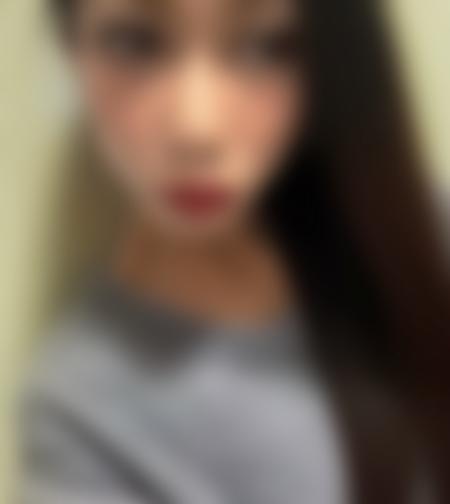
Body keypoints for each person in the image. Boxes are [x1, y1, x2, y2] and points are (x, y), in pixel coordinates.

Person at [22, 0, 449, 503]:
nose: (196, 129)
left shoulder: (420, 235)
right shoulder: (80, 415)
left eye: (265, 47)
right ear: (71, 49)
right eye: (135, 43)